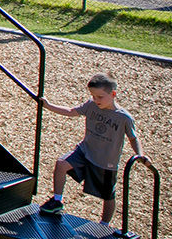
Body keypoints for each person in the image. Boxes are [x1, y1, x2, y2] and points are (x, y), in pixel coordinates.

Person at [38, 73, 149, 224]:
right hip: (85, 151)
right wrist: (49, 106)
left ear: (113, 94)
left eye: (100, 97)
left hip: (106, 160)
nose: (96, 100)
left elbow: (133, 138)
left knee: (108, 195)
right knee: (61, 164)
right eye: (93, 96)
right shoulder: (91, 105)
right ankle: (57, 201)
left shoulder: (124, 118)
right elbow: (71, 112)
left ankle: (104, 224)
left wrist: (140, 155)